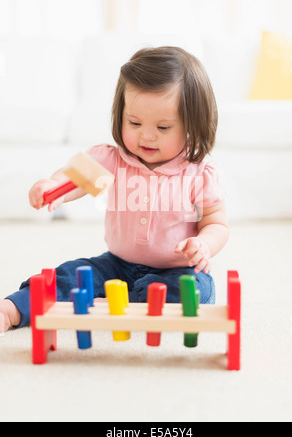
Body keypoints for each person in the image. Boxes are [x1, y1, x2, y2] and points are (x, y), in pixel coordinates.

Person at [0, 46, 229, 331]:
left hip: (177, 269)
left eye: (163, 127)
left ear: (192, 124)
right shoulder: (113, 160)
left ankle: (129, 304)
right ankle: (12, 309)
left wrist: (204, 244)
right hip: (116, 266)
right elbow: (76, 179)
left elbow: (216, 223)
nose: (146, 135)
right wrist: (52, 185)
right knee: (69, 276)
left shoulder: (198, 172)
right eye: (134, 122)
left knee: (195, 292)